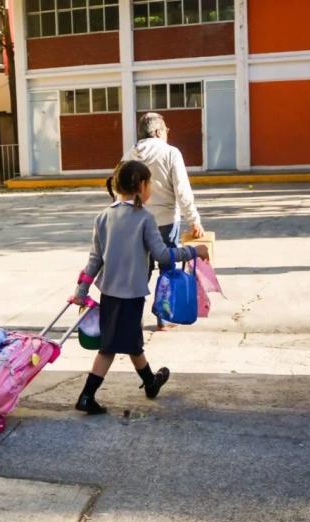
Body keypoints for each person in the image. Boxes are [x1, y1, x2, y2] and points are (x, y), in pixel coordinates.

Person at [70, 161, 209, 415]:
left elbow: (94, 259)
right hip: (132, 294)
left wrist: (81, 291)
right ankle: (88, 396)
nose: (151, 191)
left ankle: (149, 383)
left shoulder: (103, 216)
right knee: (112, 346)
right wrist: (193, 251)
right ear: (141, 186)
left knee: (128, 342)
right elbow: (162, 255)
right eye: (150, 185)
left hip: (110, 293)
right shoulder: (144, 218)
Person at [123, 112, 206, 330]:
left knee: (140, 272)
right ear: (159, 132)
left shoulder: (128, 155)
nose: (167, 134)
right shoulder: (171, 153)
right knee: (168, 269)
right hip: (166, 222)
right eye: (166, 130)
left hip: (136, 222)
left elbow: (118, 189)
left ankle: (134, 318)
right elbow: (182, 190)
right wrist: (194, 220)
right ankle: (165, 318)